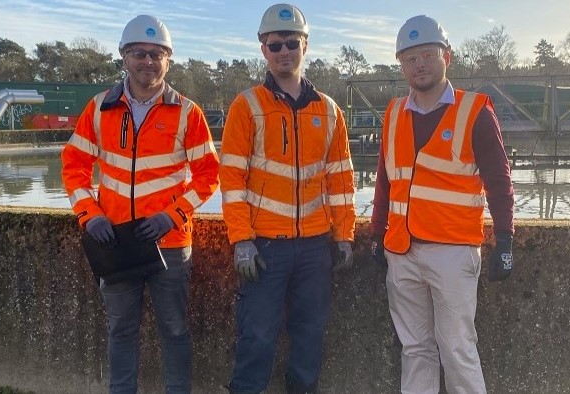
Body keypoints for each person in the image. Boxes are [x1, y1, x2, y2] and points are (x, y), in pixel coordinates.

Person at [61, 15, 219, 394]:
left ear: (168, 59)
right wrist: (89, 214)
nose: (147, 61)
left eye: (156, 54)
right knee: (121, 330)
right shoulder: (99, 108)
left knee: (176, 330)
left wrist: (173, 215)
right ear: (124, 56)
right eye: (139, 53)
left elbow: (208, 175)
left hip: (170, 244)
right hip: (115, 242)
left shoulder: (187, 112)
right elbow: (74, 166)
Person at [370, 15, 515, 394]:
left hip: (453, 252)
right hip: (401, 251)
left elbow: (499, 181)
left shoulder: (475, 111)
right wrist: (376, 233)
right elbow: (385, 180)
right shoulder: (394, 113)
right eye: (410, 57)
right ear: (401, 64)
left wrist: (505, 240)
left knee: (457, 349)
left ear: (446, 56)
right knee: (415, 349)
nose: (419, 64)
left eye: (427, 54)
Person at [218, 4, 356, 393]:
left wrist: (344, 235)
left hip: (315, 247)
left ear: (305, 46)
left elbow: (341, 181)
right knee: (257, 338)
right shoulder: (247, 106)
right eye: (274, 44)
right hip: (264, 247)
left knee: (309, 338)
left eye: (291, 43)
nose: (283, 51)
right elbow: (231, 179)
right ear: (263, 49)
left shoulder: (328, 110)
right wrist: (241, 239)